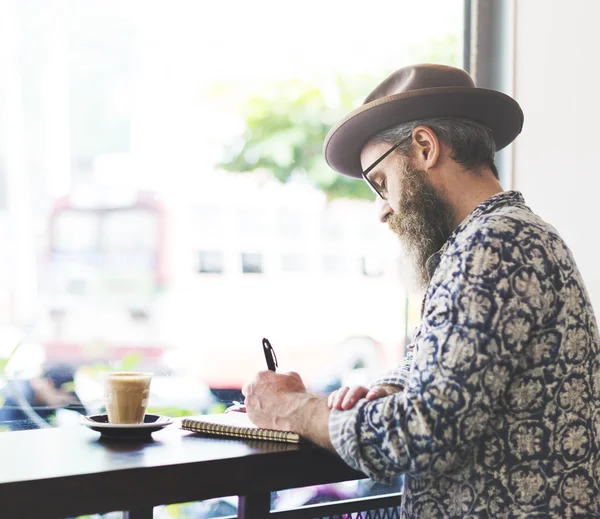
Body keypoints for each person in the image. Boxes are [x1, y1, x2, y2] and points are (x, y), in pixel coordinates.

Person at [242, 64, 600, 518]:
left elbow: (423, 431)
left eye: (380, 182)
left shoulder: (493, 244)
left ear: (425, 148)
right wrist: (388, 388)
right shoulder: (505, 237)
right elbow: (442, 371)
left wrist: (292, 409)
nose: (382, 210)